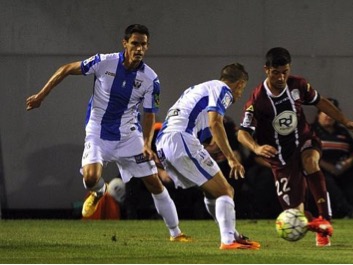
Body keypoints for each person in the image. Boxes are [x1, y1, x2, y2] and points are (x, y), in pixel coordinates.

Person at [26, 24, 190, 241]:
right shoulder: (104, 62)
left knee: (154, 183)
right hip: (97, 131)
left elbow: (150, 114)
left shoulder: (151, 79)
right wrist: (40, 95)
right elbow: (66, 68)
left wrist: (146, 144)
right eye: (135, 43)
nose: (139, 48)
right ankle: (99, 191)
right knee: (90, 177)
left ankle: (176, 233)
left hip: (129, 136)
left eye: (143, 44)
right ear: (125, 43)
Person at [237, 47, 353, 247]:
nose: (281, 77)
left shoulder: (299, 85)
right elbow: (242, 132)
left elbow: (320, 102)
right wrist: (256, 148)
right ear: (266, 70)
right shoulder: (258, 101)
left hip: (305, 140)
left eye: (285, 72)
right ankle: (316, 225)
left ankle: (325, 219)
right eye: (276, 72)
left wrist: (344, 120)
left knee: (310, 161)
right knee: (296, 214)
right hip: (281, 159)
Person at [155, 63, 260, 250]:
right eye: (242, 89)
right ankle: (228, 241)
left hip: (166, 142)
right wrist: (231, 158)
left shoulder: (199, 89)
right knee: (226, 191)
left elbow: (205, 132)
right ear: (239, 84)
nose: (239, 94)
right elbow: (215, 123)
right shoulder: (223, 89)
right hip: (180, 138)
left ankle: (232, 234)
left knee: (213, 191)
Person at [310, 98, 353, 219]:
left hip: (342, 168)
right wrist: (327, 166)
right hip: (319, 168)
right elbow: (306, 153)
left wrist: (348, 162)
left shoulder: (343, 132)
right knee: (326, 181)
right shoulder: (310, 130)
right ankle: (347, 211)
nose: (329, 116)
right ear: (319, 113)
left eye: (332, 113)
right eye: (326, 113)